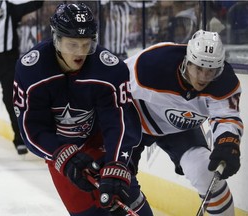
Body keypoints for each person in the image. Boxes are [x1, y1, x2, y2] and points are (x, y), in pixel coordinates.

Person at [13, 3, 153, 216]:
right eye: (72, 45)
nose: (80, 53)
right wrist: (61, 154)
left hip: (99, 142)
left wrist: (116, 164)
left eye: (86, 44)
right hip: (59, 148)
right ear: (57, 40)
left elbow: (119, 122)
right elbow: (31, 127)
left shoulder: (109, 69)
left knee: (129, 200)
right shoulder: (32, 70)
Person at [126, 30, 243, 216]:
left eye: (211, 71)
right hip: (135, 119)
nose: (204, 77)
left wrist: (228, 142)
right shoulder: (153, 63)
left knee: (205, 170)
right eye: (199, 69)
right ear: (187, 61)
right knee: (119, 180)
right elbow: (111, 86)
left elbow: (226, 117)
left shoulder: (225, 82)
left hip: (179, 127)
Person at [0, 0, 43, 159]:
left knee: (11, 99)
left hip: (7, 60)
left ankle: (20, 140)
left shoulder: (9, 8)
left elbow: (35, 5)